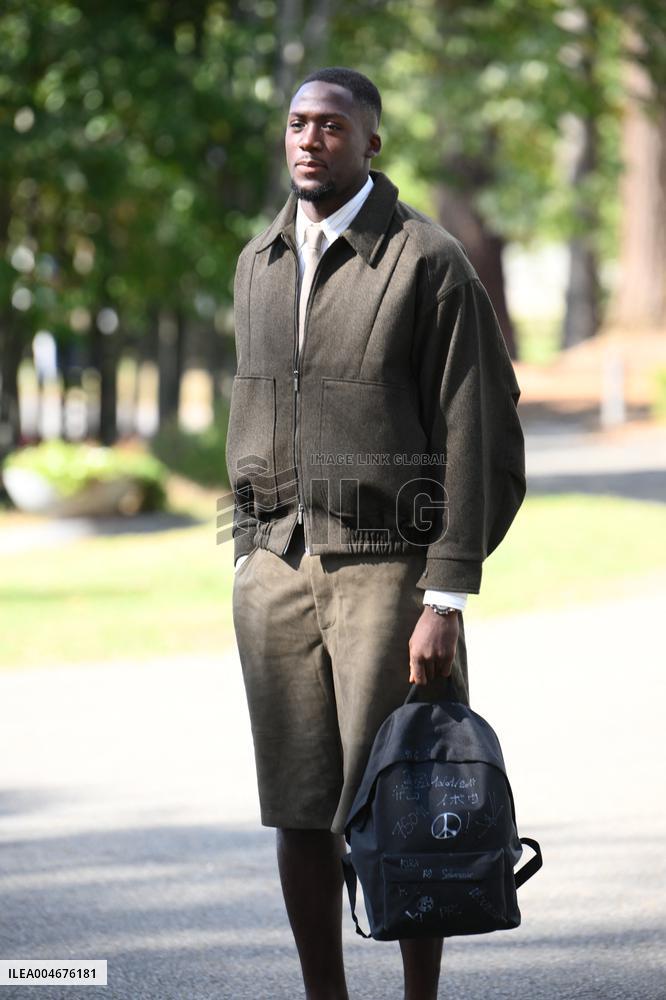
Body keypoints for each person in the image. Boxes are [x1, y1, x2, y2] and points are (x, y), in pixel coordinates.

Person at [226, 66, 525, 1000]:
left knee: (400, 801)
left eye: (331, 125)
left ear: (370, 143)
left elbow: (476, 431)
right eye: (297, 123)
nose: (309, 138)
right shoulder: (257, 263)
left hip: (389, 579)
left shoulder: (426, 260)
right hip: (276, 573)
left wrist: (444, 595)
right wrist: (248, 552)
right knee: (298, 809)